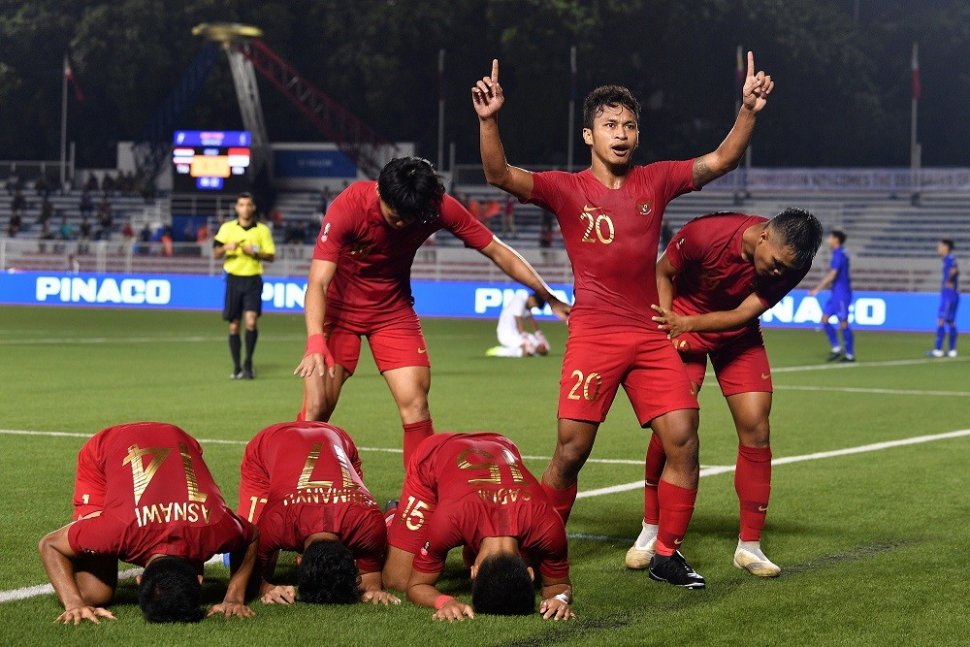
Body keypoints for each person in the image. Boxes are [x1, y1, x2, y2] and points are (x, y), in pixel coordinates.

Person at [473, 53, 773, 588]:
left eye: (630, 125)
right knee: (571, 450)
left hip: (650, 332)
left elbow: (722, 159)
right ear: (589, 135)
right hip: (594, 333)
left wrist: (747, 110)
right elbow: (497, 174)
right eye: (610, 125)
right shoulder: (566, 190)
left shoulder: (655, 181)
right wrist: (489, 119)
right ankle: (538, 551)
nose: (622, 133)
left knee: (684, 437)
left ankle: (666, 553)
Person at [294, 157, 569, 468]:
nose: (402, 225)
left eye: (410, 219)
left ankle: (418, 498)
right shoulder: (350, 206)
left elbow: (496, 249)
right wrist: (315, 339)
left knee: (416, 406)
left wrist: (548, 295)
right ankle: (293, 486)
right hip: (338, 312)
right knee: (317, 407)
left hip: (392, 312)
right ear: (380, 193)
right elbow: (317, 281)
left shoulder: (435, 206)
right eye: (395, 217)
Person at [627, 209, 822, 578]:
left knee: (757, 429)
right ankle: (650, 529)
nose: (780, 273)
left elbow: (744, 313)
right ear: (763, 236)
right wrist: (667, 326)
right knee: (673, 429)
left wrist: (689, 324)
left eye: (788, 269)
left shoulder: (795, 263)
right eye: (777, 263)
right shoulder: (705, 234)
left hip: (735, 334)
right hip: (680, 321)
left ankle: (749, 547)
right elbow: (663, 272)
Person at [37, 422, 259, 625]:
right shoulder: (116, 529)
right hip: (107, 448)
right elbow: (50, 544)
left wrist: (234, 597)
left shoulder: (215, 529)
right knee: (94, 595)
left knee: (96, 592)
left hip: (178, 436)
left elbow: (252, 535)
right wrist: (76, 603)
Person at [383, 432, 573, 621]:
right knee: (397, 580)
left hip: (501, 447)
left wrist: (558, 598)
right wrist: (444, 601)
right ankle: (393, 515)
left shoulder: (547, 525)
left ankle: (469, 547)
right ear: (473, 572)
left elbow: (560, 586)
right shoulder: (451, 520)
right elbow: (414, 586)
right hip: (434, 455)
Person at [237, 421, 399, 606]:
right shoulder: (276, 522)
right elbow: (245, 572)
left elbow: (369, 577)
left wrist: (373, 591)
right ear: (298, 560)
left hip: (337, 439)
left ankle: (394, 512)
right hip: (267, 447)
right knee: (248, 549)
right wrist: (266, 587)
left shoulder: (368, 525)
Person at [214, 193, 276, 380]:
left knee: (251, 321)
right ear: (236, 208)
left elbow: (271, 256)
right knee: (234, 326)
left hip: (253, 280)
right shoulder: (227, 228)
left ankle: (248, 363)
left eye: (248, 204)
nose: (245, 208)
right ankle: (236, 367)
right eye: (241, 204)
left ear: (253, 207)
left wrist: (255, 252)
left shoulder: (262, 230)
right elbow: (216, 252)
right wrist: (225, 248)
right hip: (233, 279)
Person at [809, 230, 854, 362]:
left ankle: (850, 355)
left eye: (830, 238)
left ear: (836, 240)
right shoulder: (839, 253)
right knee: (824, 319)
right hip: (836, 293)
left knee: (843, 323)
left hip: (842, 293)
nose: (828, 240)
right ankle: (836, 348)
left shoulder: (839, 254)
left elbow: (833, 274)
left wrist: (817, 289)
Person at [485, 291, 550, 357]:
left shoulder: (527, 304)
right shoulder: (519, 300)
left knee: (543, 350)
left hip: (517, 334)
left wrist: (539, 335)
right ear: (532, 299)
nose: (532, 307)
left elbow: (531, 320)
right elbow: (518, 319)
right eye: (534, 305)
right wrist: (524, 337)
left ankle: (530, 351)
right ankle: (499, 351)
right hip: (506, 334)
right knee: (527, 351)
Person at [928, 238, 959, 357]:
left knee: (941, 320)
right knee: (950, 321)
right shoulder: (948, 259)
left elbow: (954, 269)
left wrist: (950, 280)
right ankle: (952, 350)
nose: (938, 248)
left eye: (940, 246)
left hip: (949, 293)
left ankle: (938, 349)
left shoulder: (950, 258)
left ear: (946, 247)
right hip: (952, 293)